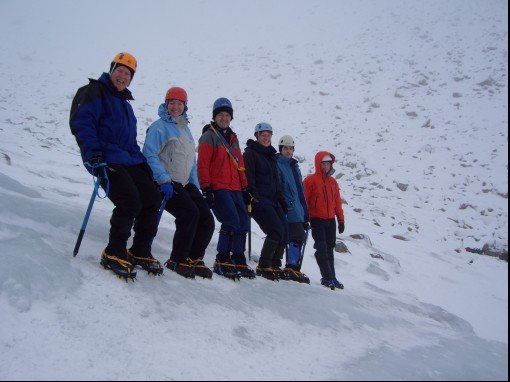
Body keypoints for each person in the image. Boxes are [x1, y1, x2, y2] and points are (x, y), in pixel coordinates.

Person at [70, 52, 163, 280]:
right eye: (119, 71)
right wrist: (93, 154)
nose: (122, 76)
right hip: (104, 159)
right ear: (111, 71)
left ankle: (140, 250)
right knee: (129, 200)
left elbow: (130, 143)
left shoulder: (126, 106)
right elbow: (82, 122)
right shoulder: (93, 91)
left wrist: (144, 166)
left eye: (127, 74)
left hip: (128, 161)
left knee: (152, 197)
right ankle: (114, 251)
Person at [143, 87, 215, 279]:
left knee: (207, 219)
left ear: (185, 106)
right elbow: (149, 154)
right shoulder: (159, 127)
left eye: (179, 103)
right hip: (166, 181)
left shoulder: (186, 129)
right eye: (172, 103)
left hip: (184, 183)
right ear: (166, 104)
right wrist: (163, 179)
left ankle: (194, 258)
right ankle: (177, 259)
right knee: (189, 213)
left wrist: (194, 184)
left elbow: (190, 159)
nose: (175, 107)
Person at [197, 97, 255, 279]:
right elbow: (203, 165)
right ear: (215, 117)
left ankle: (238, 257)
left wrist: (245, 188)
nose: (224, 118)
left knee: (243, 222)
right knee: (230, 219)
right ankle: (222, 258)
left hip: (236, 188)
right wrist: (206, 188)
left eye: (227, 115)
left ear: (231, 118)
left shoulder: (233, 138)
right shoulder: (208, 136)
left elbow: (241, 166)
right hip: (219, 187)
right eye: (220, 115)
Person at [243, 123, 289, 281]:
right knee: (275, 230)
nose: (266, 137)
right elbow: (249, 178)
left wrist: (282, 200)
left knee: (285, 233)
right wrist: (255, 197)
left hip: (274, 201)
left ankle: (274, 264)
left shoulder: (270, 156)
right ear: (257, 135)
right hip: (260, 201)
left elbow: (276, 182)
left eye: (269, 135)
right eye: (263, 134)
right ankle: (264, 265)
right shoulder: (250, 153)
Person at [303, 151, 345, 290]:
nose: (326, 166)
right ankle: (326, 277)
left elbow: (337, 201)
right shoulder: (310, 180)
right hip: (316, 219)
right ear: (318, 163)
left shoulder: (333, 182)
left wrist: (341, 219)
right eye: (323, 163)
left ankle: (332, 277)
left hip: (330, 220)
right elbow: (305, 200)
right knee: (321, 248)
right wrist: (305, 217)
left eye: (328, 163)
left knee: (329, 248)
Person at [276, 135, 310, 284]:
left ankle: (292, 266)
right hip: (287, 207)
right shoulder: (278, 163)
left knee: (298, 236)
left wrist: (305, 212)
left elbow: (300, 191)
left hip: (297, 208)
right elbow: (279, 187)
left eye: (291, 149)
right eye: (285, 148)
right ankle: (290, 266)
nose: (288, 151)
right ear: (280, 149)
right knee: (296, 236)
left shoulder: (294, 166)